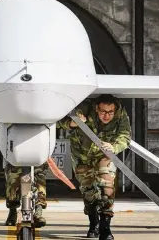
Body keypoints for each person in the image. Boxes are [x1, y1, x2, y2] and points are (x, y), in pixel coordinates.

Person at [57, 94, 131, 240]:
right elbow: (58, 121)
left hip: (103, 155)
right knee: (88, 191)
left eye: (110, 112)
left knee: (107, 187)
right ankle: (93, 223)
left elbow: (125, 136)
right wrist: (73, 123)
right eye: (103, 111)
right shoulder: (83, 109)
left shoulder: (120, 114)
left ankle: (105, 227)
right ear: (96, 108)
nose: (107, 116)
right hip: (81, 156)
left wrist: (114, 147)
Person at [3, 161, 49, 228]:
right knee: (13, 178)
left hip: (37, 155)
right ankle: (12, 211)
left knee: (39, 177)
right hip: (17, 155)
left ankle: (38, 212)